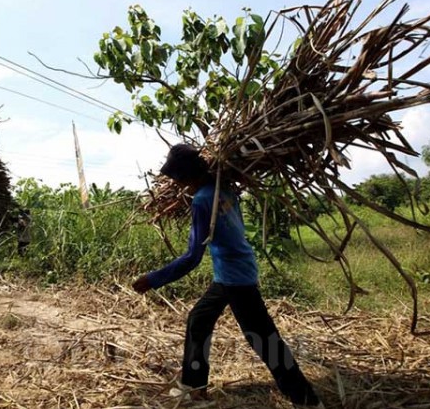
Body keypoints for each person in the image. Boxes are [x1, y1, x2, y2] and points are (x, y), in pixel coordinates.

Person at [132, 144, 324, 409]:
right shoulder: (225, 189)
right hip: (232, 271)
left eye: (177, 178)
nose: (177, 184)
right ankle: (194, 385)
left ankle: (306, 399)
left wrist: (152, 279)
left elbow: (192, 257)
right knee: (198, 320)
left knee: (264, 338)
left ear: (186, 175)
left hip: (235, 278)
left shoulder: (202, 200)